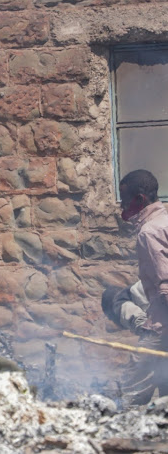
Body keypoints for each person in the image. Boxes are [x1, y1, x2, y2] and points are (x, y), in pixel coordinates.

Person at [118, 169, 168, 403]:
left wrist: (156, 328)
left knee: (131, 392)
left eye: (125, 201)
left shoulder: (149, 232)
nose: (122, 209)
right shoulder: (165, 221)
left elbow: (164, 285)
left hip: (162, 324)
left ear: (140, 200)